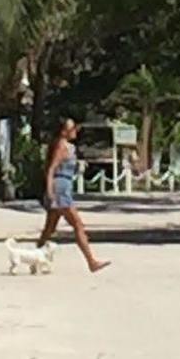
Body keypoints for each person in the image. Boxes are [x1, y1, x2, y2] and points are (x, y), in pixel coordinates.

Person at [38, 117, 109, 273]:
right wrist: (50, 192)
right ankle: (91, 261)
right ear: (64, 132)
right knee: (78, 225)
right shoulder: (61, 146)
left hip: (64, 186)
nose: (75, 131)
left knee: (49, 228)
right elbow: (51, 169)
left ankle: (34, 257)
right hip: (60, 188)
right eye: (72, 129)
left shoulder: (69, 147)